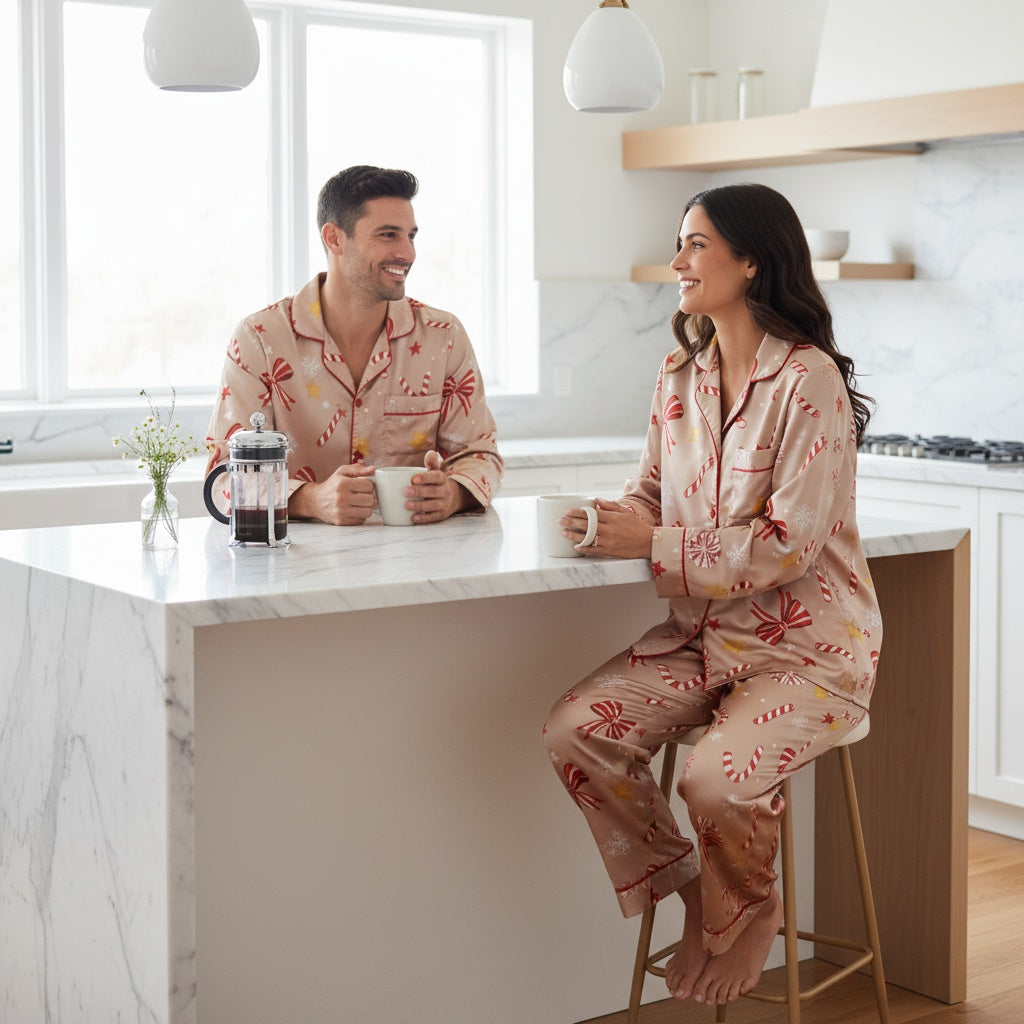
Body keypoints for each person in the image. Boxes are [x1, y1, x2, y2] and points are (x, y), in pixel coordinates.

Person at [542, 183, 881, 1009]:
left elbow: (786, 546)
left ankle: (752, 912)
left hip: (807, 653)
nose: (678, 261)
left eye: (696, 245)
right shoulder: (679, 374)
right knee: (577, 731)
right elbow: (655, 492)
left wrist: (649, 543)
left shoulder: (809, 382)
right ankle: (705, 899)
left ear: (751, 260)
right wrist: (605, 520)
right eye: (680, 243)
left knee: (714, 781)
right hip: (701, 643)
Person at [206, 165, 503, 525]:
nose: (407, 253)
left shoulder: (444, 335)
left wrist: (454, 493)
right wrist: (311, 500)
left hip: (415, 564)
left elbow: (481, 454)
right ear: (334, 238)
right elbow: (224, 477)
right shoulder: (260, 339)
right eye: (388, 235)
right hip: (292, 568)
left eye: (411, 235)